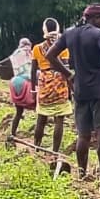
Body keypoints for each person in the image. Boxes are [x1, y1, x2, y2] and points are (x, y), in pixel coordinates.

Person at [46, 3, 100, 180]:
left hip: (80, 89)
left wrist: (68, 75)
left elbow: (50, 56)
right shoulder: (99, 34)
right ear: (94, 18)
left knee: (83, 135)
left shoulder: (69, 33)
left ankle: (82, 173)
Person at [31, 19, 71, 153]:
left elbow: (33, 70)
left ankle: (36, 147)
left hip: (44, 83)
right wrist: (70, 89)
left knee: (41, 117)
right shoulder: (63, 48)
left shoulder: (37, 48)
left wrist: (33, 89)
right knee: (59, 119)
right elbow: (66, 68)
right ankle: (55, 151)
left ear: (44, 30)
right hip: (59, 82)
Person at [6, 37, 35, 142]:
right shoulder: (30, 53)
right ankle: (37, 138)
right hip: (27, 82)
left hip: (15, 82)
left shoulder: (14, 55)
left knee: (18, 112)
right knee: (39, 109)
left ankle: (13, 133)